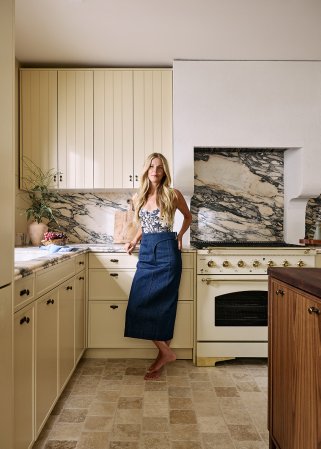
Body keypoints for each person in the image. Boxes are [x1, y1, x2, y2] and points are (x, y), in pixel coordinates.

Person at [124, 153, 192, 380]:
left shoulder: (173, 194)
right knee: (138, 304)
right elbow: (146, 224)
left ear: (164, 172)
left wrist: (180, 235)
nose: (155, 171)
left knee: (164, 306)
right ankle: (167, 353)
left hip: (167, 251)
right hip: (146, 253)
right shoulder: (139, 197)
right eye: (152, 167)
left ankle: (162, 356)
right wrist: (134, 240)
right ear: (146, 170)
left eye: (160, 167)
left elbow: (188, 217)